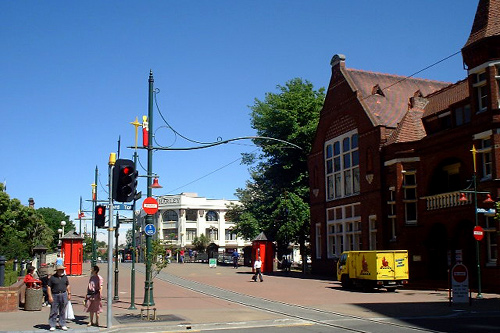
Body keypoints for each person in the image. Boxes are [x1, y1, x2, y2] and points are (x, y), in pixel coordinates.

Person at [47, 265, 71, 331]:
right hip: (55, 294)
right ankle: (52, 324)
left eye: (63, 270)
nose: (62, 271)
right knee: (54, 310)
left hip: (63, 294)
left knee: (62, 310)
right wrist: (50, 296)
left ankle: (62, 324)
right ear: (57, 271)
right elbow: (49, 287)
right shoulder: (52, 278)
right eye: (60, 270)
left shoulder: (65, 277)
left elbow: (68, 285)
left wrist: (69, 293)